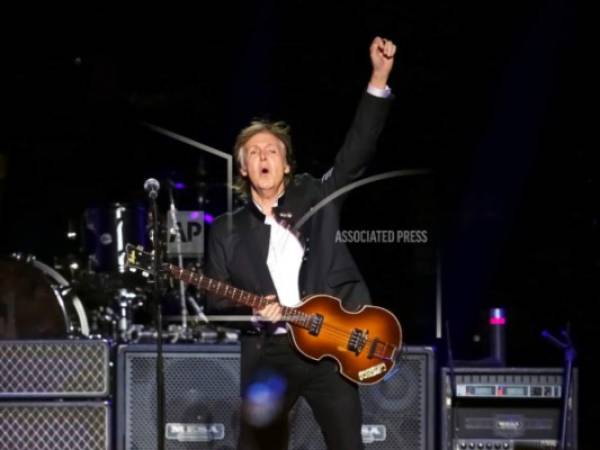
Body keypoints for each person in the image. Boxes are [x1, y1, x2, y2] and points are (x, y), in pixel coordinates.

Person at [206, 36, 396, 450]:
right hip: (270, 354)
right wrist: (253, 309)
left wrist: (379, 78)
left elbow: (355, 155)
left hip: (331, 346)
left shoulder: (314, 197)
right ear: (243, 169)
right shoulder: (225, 229)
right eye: (252, 152)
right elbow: (214, 303)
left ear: (286, 163)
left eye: (270, 150)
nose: (262, 156)